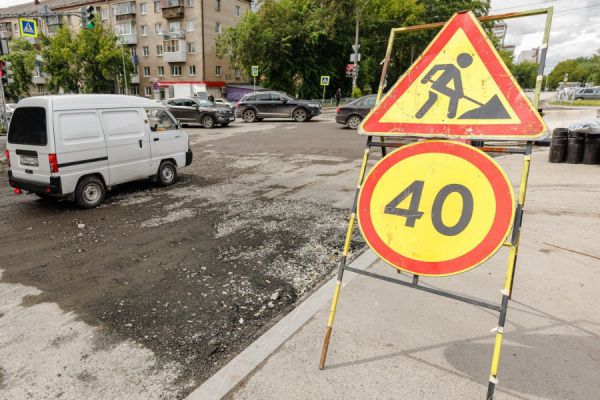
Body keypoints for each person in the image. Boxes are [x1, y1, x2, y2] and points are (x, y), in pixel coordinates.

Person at [416, 52, 473, 119]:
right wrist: (426, 78)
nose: (465, 64)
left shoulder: (456, 71)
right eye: (465, 62)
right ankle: (451, 113)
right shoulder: (451, 67)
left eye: (467, 63)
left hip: (438, 86)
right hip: (437, 86)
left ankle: (419, 114)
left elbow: (457, 84)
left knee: (432, 99)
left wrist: (460, 93)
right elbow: (435, 67)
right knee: (453, 95)